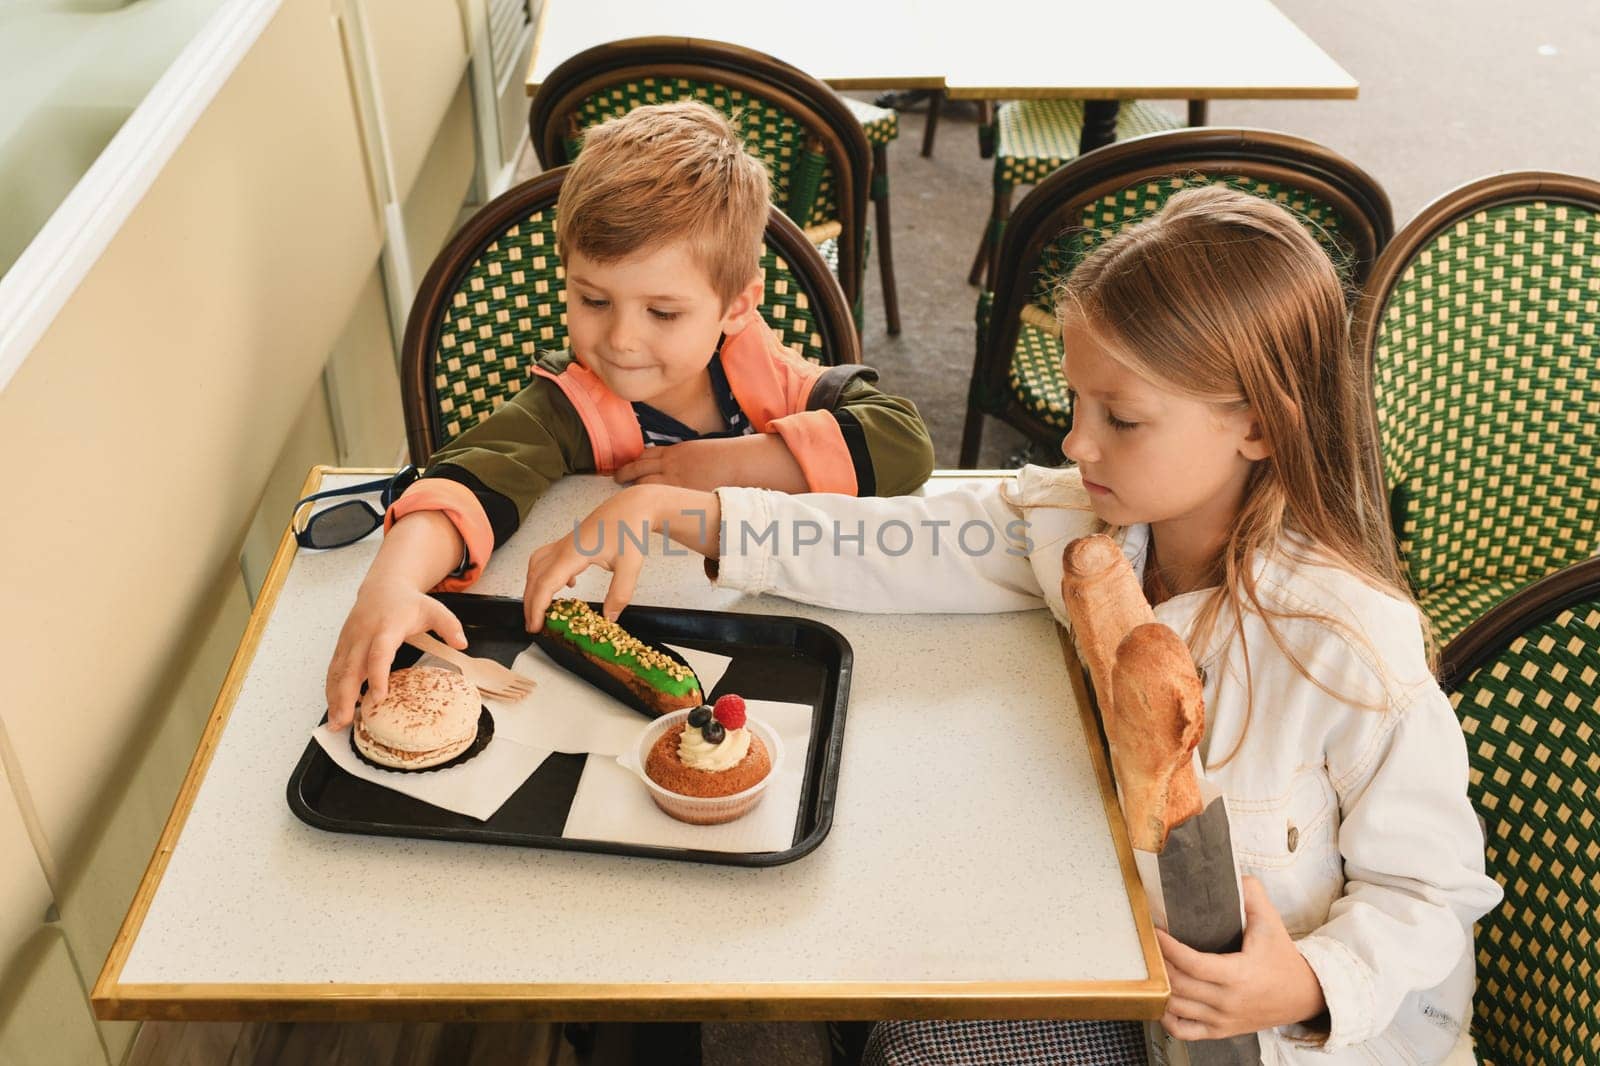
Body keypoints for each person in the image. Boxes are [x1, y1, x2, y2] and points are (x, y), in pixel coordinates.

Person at [522, 186, 1503, 1065]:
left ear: (1257, 423)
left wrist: (1309, 981)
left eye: (1119, 416)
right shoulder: (1089, 525)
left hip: (1283, 1045)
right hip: (1111, 970)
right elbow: (896, 539)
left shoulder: (1349, 644)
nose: (1073, 441)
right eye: (1076, 401)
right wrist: (682, 512)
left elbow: (1433, 895)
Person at [323, 100, 935, 728]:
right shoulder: (567, 407)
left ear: (735, 307)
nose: (620, 340)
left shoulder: (774, 381)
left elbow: (903, 447)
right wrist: (391, 585)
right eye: (593, 299)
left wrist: (708, 464)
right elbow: (466, 484)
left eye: (662, 313)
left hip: (790, 652)